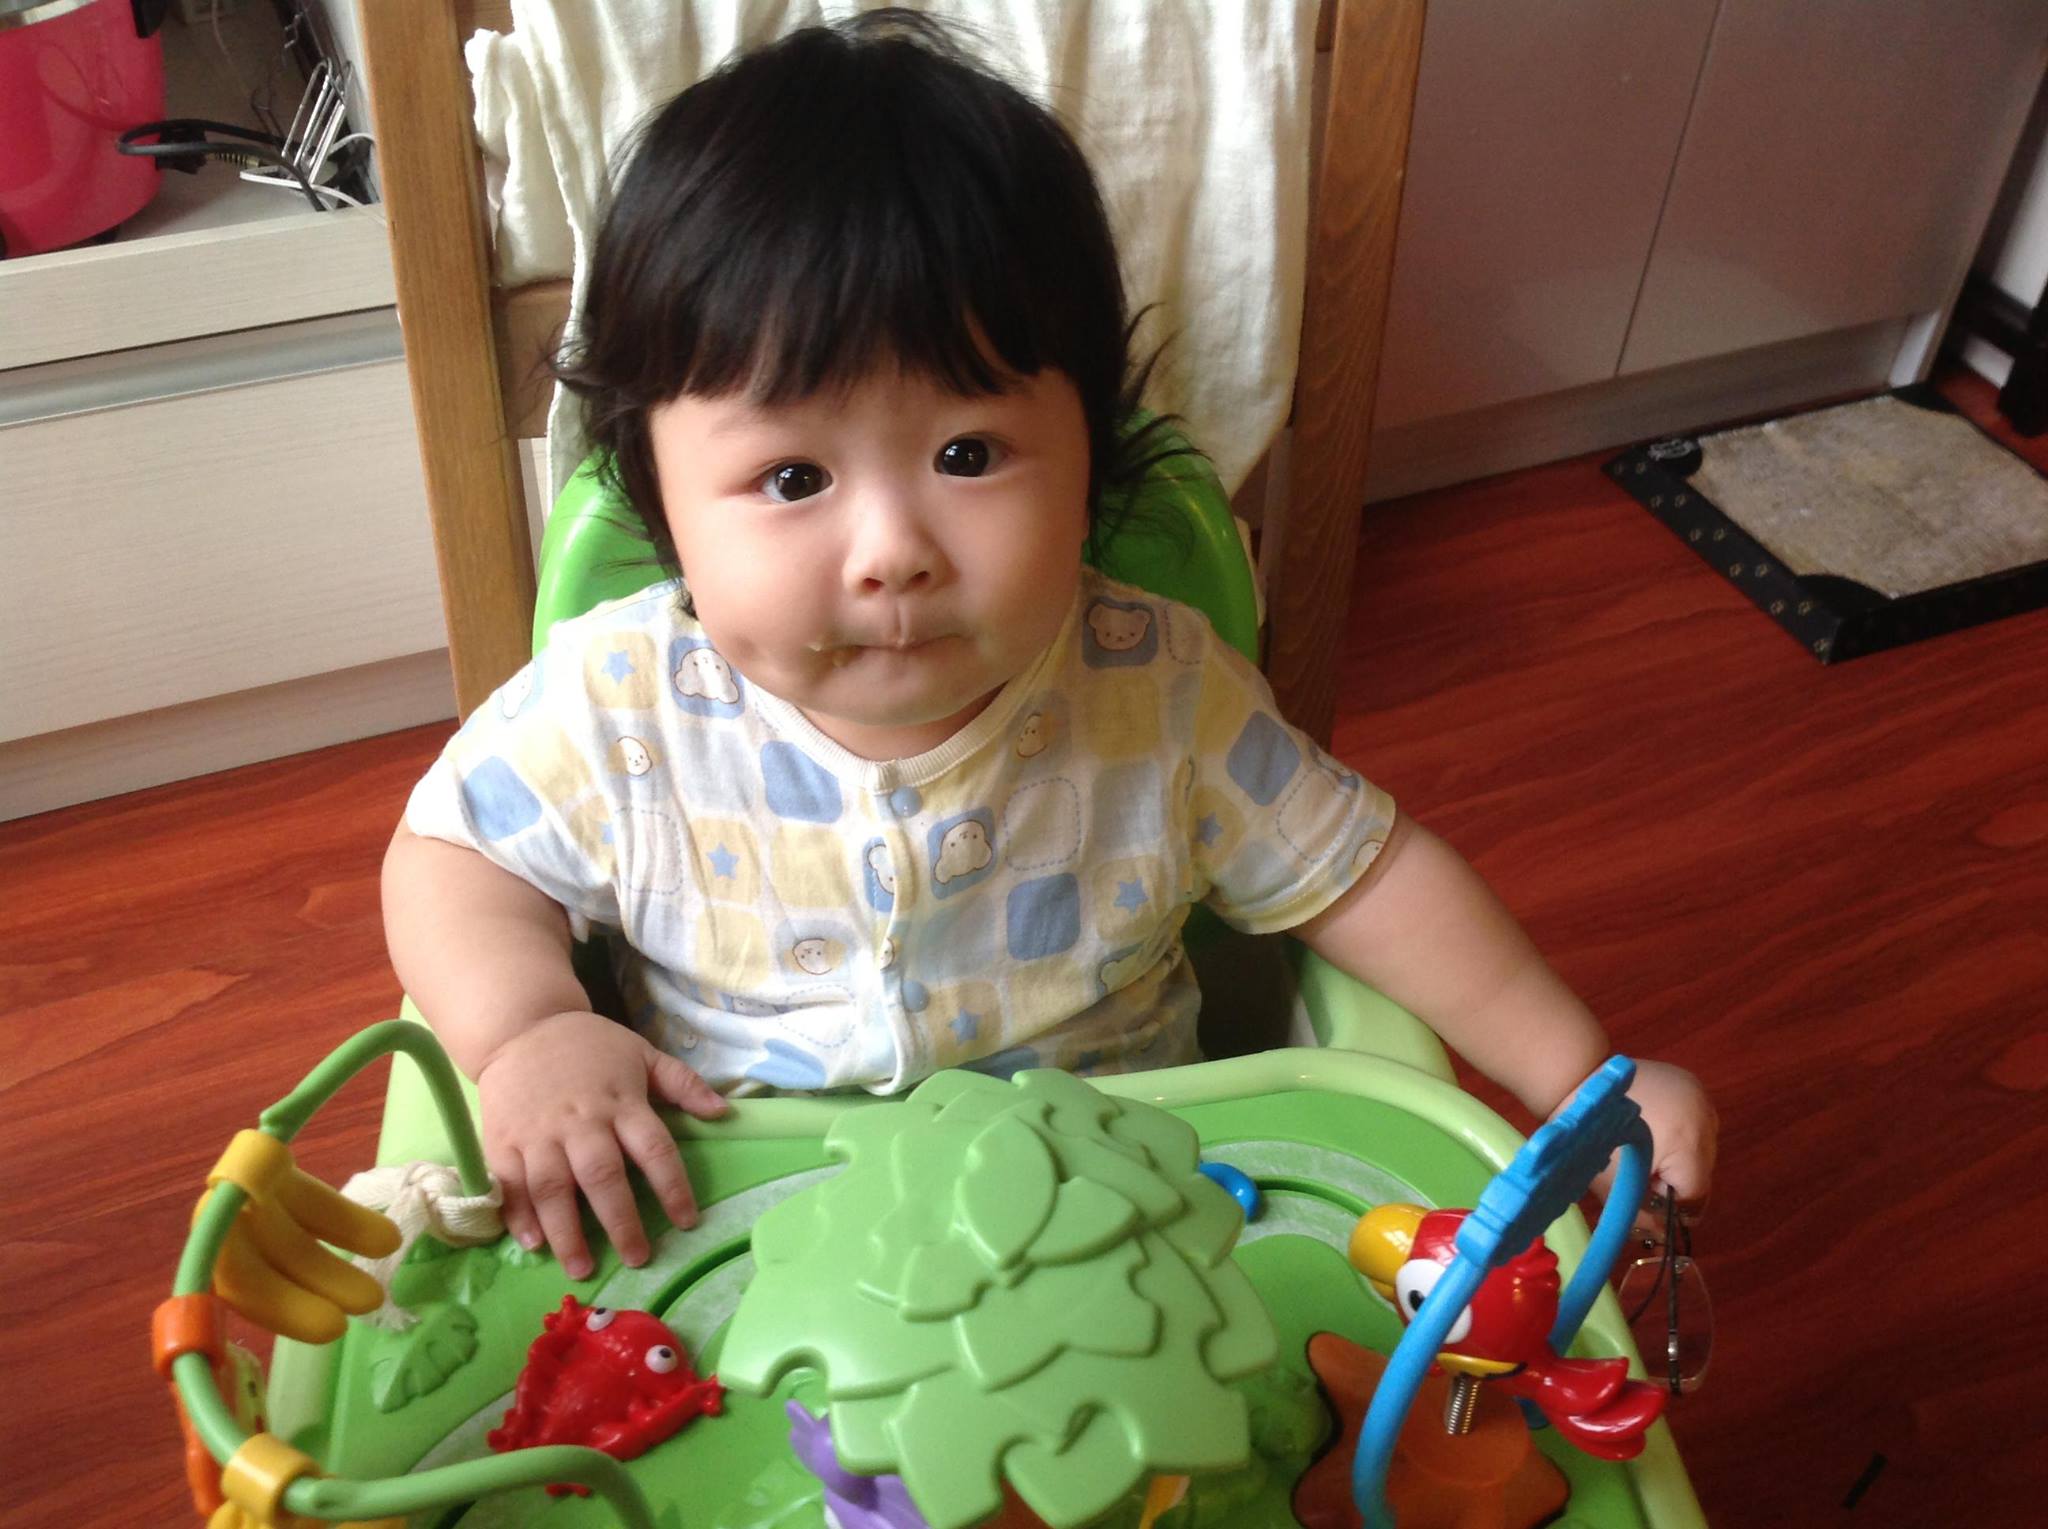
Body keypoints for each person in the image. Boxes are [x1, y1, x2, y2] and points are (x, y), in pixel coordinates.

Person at [384, 11, 1715, 1281]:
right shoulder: (619, 703)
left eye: (969, 454)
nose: (892, 548)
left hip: (1119, 1226)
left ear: (1091, 459)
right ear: (661, 500)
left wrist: (1582, 1081)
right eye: (793, 478)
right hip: (738, 1224)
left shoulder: (1159, 691)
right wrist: (529, 1030)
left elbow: (1367, 877)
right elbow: (454, 856)